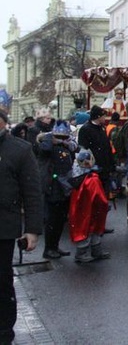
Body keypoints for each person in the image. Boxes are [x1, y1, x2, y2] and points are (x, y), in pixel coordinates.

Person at [0, 109, 43, 345]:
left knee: (2, 281)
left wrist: (32, 229)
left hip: (4, 229)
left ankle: (4, 331)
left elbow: (32, 193)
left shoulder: (19, 149)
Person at [37, 121, 78, 259]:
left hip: (65, 186)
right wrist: (50, 137)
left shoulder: (65, 146)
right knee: (53, 220)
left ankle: (55, 246)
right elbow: (45, 148)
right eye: (59, 136)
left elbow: (75, 149)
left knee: (60, 219)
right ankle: (49, 248)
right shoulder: (47, 145)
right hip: (53, 186)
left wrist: (64, 142)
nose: (62, 139)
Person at [68, 149, 110, 263]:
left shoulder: (78, 177)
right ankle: (84, 253)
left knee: (84, 229)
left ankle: (90, 251)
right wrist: (105, 205)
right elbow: (99, 196)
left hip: (82, 208)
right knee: (93, 229)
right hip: (93, 209)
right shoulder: (92, 178)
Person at [77, 105, 116, 198]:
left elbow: (107, 147)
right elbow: (83, 149)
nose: (105, 118)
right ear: (98, 117)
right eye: (103, 116)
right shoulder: (85, 129)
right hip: (93, 169)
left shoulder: (102, 128)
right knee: (94, 196)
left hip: (105, 168)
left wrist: (111, 165)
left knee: (104, 196)